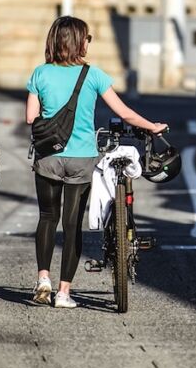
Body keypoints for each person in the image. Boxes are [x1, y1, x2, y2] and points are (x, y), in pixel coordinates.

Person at [26, 16, 166, 308]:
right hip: (81, 158)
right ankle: (63, 293)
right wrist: (152, 126)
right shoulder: (94, 75)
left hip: (48, 156)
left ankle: (43, 279)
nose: (88, 43)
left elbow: (30, 117)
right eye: (87, 38)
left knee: (47, 217)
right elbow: (124, 113)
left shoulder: (40, 73)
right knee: (72, 225)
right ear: (78, 41)